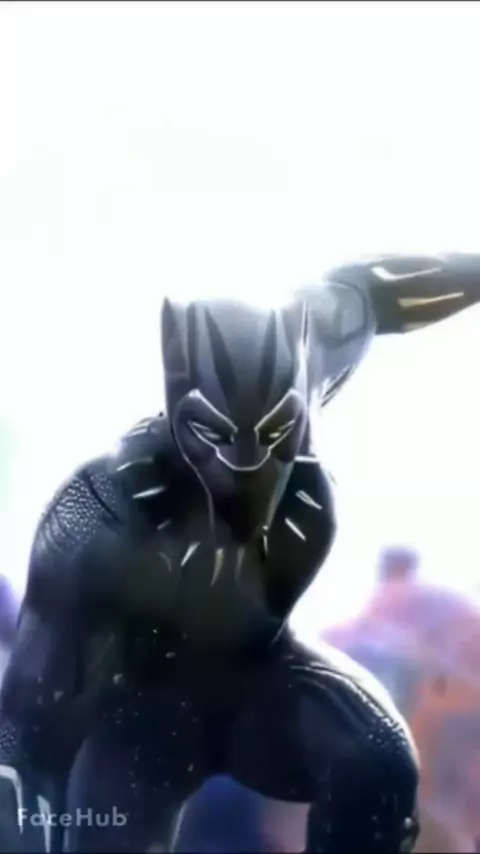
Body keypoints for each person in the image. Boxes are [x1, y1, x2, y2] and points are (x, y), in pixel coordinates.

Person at [2, 251, 480, 853]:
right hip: (140, 722)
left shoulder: (302, 366)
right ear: (179, 411)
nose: (247, 464)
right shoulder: (97, 516)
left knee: (374, 760)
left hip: (261, 681)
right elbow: (26, 742)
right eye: (217, 435)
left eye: (274, 434)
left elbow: (376, 292)